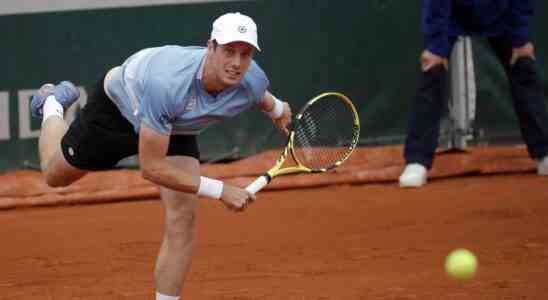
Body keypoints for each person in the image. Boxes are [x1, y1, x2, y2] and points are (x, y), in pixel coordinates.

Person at [30, 12, 292, 300]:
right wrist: (221, 190)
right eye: (228, 51)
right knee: (54, 175)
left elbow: (263, 98)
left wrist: (278, 111)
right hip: (118, 110)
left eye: (245, 54)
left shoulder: (252, 78)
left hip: (173, 123)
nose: (237, 63)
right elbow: (152, 168)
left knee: (183, 216)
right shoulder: (168, 84)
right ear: (211, 47)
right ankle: (52, 104)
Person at [399, 0, 548, 187]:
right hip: (450, 14)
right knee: (432, 69)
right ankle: (417, 161)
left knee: (523, 64)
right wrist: (436, 45)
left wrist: (519, 38)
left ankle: (544, 152)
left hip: (502, 16)